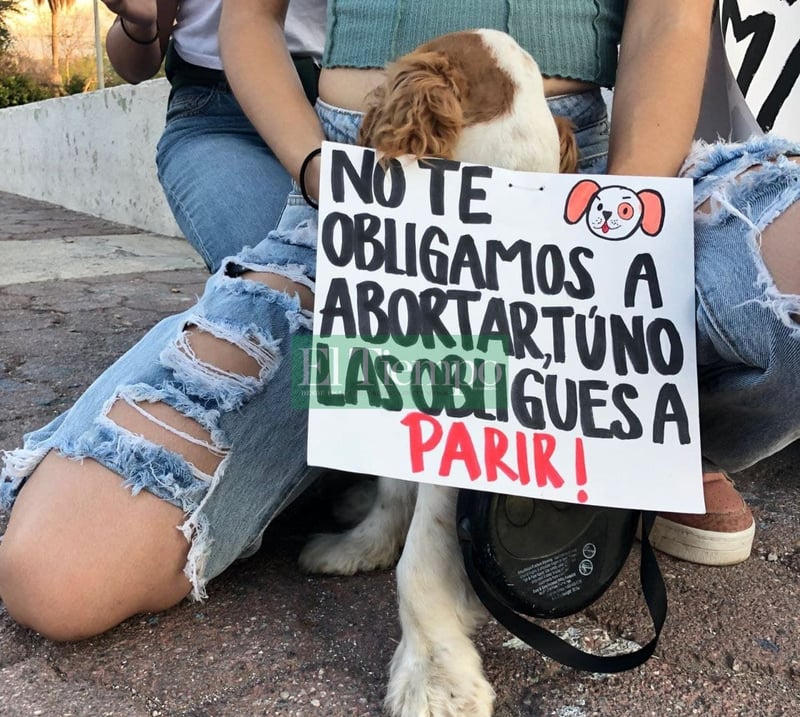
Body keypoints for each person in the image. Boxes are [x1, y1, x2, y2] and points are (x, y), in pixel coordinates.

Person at [1, 0, 798, 641]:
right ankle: (399, 440)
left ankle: (621, 442)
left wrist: (608, 244)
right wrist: (321, 172)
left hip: (574, 179)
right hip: (360, 190)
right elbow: (247, 17)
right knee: (57, 572)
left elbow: (671, 14)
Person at [101, 0, 327, 272]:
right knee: (282, 274)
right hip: (218, 115)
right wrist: (139, 22)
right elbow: (133, 67)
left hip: (336, 110)